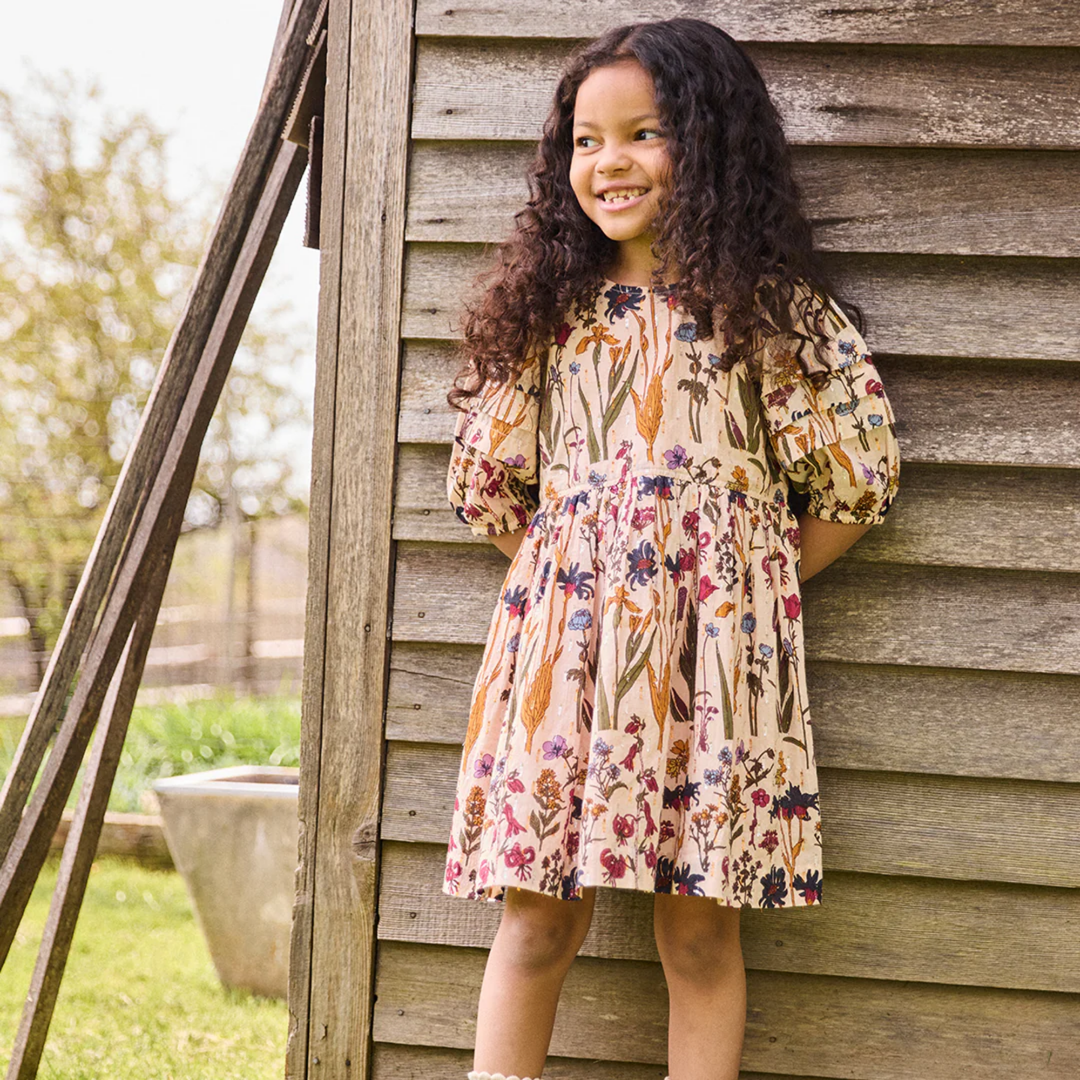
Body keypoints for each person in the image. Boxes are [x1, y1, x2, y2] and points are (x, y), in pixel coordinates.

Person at [441, 17, 901, 1080]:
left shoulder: (775, 316)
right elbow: (489, 488)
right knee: (539, 920)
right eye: (587, 140)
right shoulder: (547, 315)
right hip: (564, 670)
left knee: (699, 934)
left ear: (711, 143)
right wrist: (581, 574)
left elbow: (854, 484)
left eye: (643, 133)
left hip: (718, 674)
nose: (608, 162)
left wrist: (739, 587)